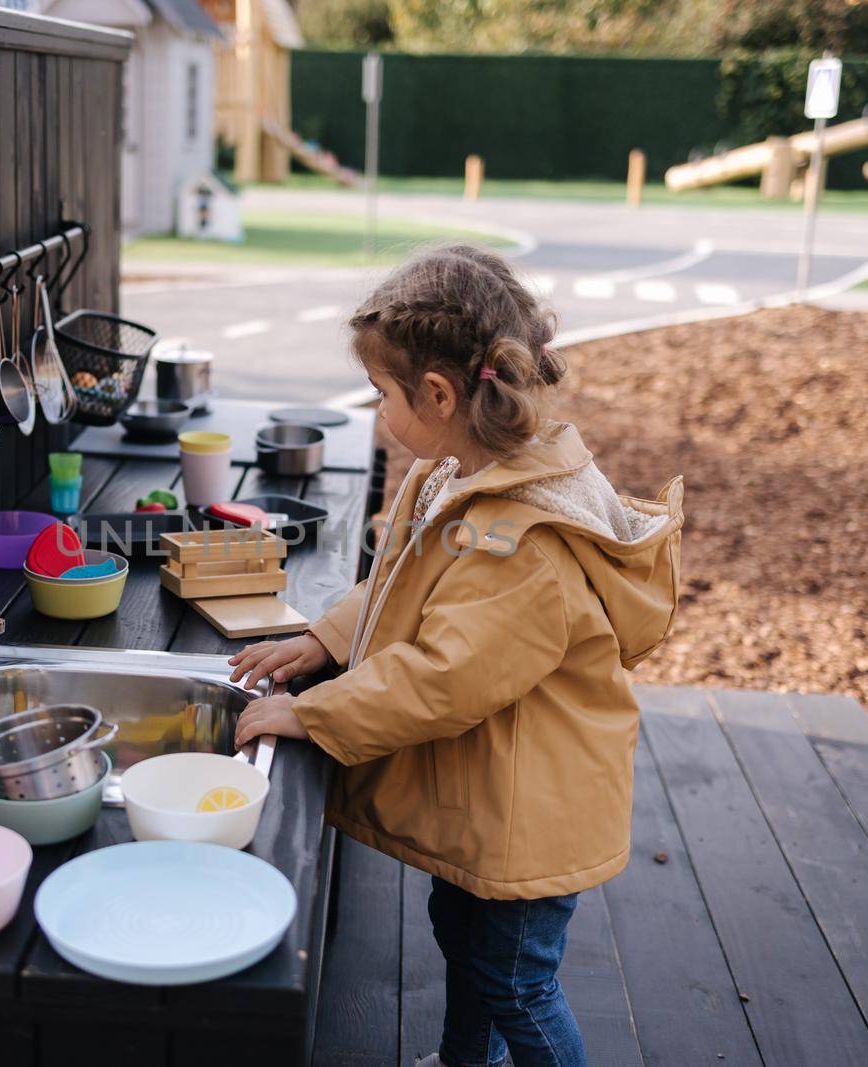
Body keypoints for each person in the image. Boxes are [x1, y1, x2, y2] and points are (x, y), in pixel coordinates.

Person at [229, 245, 684, 1067]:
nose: (377, 411)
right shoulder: (461, 475)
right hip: (491, 796)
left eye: (381, 394)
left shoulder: (523, 542)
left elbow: (442, 679)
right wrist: (323, 640)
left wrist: (314, 712)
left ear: (437, 395)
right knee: (462, 933)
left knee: (516, 981)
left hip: (531, 813)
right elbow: (405, 581)